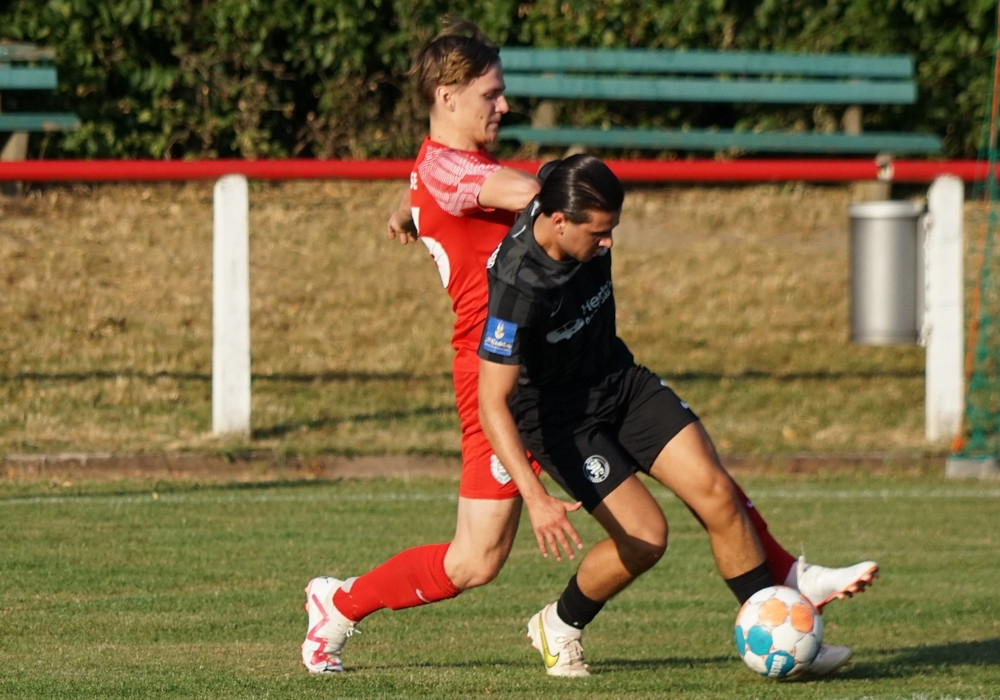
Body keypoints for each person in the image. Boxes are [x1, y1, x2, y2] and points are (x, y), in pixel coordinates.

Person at [302, 20, 876, 676]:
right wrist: (558, 200)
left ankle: (786, 582)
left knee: (705, 482)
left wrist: (408, 208)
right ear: (447, 96)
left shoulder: (443, 169)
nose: (504, 105)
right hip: (500, 375)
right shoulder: (451, 172)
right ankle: (338, 604)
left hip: (575, 363)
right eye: (491, 94)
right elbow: (532, 197)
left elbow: (454, 186)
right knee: (476, 561)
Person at [477, 153, 877, 678]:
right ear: (559, 221)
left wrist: (406, 211)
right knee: (646, 537)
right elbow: (492, 401)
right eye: (598, 233)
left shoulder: (560, 186)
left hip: (620, 381)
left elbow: (549, 169)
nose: (608, 243)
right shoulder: (517, 286)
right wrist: (536, 498)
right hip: (561, 421)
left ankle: (782, 626)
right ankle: (559, 623)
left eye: (613, 229)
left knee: (716, 490)